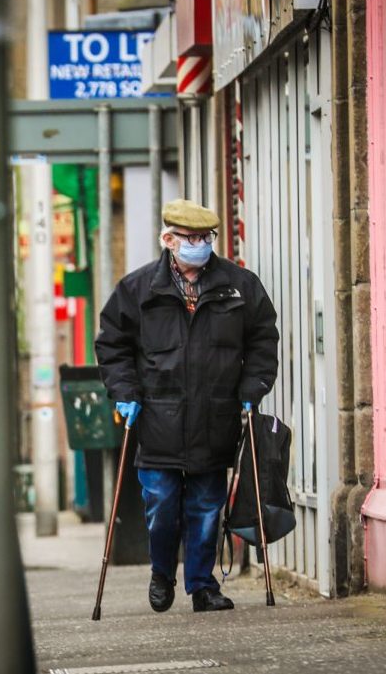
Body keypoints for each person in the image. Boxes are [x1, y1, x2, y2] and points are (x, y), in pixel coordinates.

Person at [95, 199, 279, 613]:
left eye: (205, 238)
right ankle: (162, 574)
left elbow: (263, 339)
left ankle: (202, 586)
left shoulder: (239, 286)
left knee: (206, 508)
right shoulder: (138, 289)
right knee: (161, 506)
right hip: (158, 416)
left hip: (215, 417)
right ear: (168, 239)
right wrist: (124, 392)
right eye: (189, 238)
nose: (198, 245)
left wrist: (254, 386)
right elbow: (113, 344)